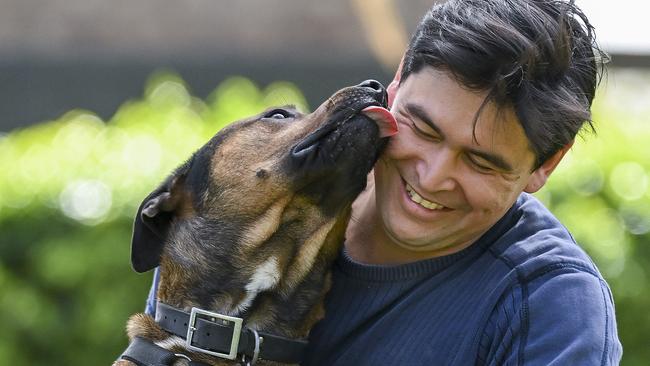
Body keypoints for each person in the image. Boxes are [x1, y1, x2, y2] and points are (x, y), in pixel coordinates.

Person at [146, 0, 623, 364]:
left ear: (546, 166)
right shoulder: (261, 205)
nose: (433, 177)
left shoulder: (549, 306)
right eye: (424, 128)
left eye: (481, 162)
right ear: (397, 83)